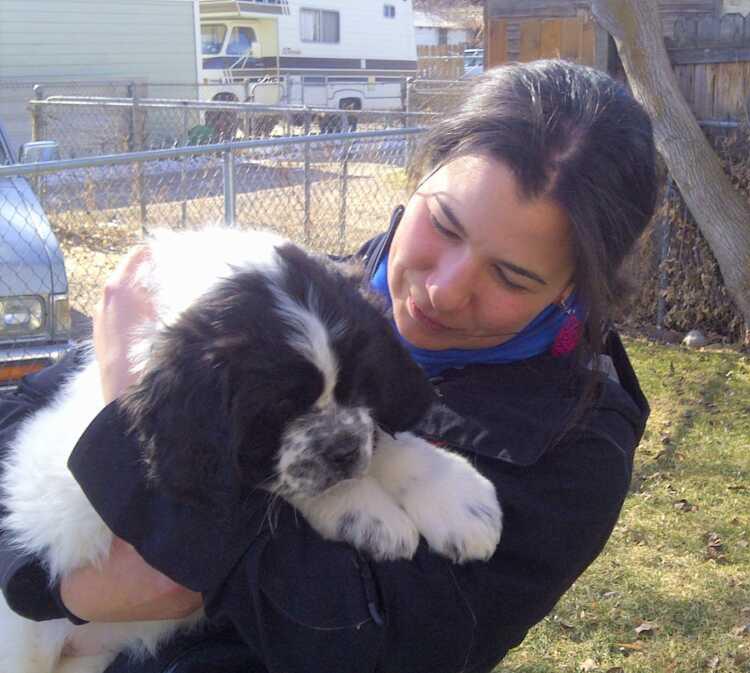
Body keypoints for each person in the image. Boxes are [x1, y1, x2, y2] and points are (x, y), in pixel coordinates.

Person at [0, 59, 657, 672]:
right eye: (444, 224)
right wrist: (51, 587)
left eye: (511, 276)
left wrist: (127, 414)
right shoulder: (306, 287)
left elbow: (367, 642)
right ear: (422, 178)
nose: (444, 289)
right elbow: (19, 424)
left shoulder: (574, 451)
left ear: (575, 288)